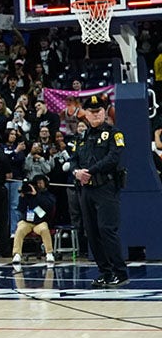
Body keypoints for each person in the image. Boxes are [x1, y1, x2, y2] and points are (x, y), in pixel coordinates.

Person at [72, 93, 127, 287]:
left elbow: (113, 157)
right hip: (86, 189)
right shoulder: (81, 138)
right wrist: (76, 172)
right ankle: (105, 271)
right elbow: (73, 160)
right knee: (91, 232)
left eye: (99, 111)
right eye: (92, 112)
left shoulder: (114, 133)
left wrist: (90, 171)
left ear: (104, 112)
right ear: (85, 114)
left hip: (106, 187)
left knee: (106, 229)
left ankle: (120, 271)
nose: (95, 115)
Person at [13, 175, 56, 264]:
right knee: (20, 229)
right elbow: (21, 209)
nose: (39, 185)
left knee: (44, 229)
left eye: (41, 183)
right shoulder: (27, 195)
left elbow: (48, 207)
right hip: (27, 222)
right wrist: (22, 197)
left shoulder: (48, 195)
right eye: (37, 183)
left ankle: (49, 253)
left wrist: (36, 195)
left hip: (40, 221)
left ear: (45, 184)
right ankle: (17, 254)